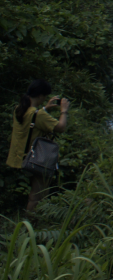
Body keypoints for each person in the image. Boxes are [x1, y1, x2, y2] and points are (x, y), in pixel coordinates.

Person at [6, 79, 70, 212]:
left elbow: (33, 118)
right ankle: (30, 225)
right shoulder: (39, 115)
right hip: (35, 159)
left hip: (18, 156)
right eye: (45, 97)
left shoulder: (19, 109)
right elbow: (61, 127)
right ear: (41, 96)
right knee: (36, 196)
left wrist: (45, 108)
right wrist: (64, 111)